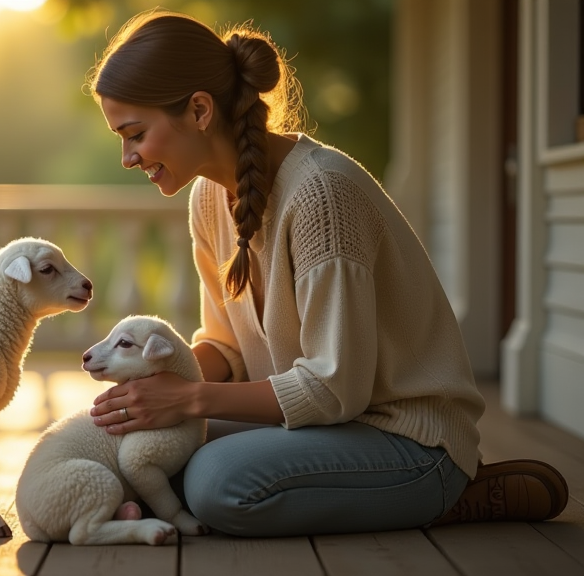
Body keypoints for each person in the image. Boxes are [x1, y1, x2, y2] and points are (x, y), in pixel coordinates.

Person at [85, 9, 568, 537]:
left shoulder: (322, 196)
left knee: (215, 482)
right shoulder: (208, 197)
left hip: (403, 440)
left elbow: (335, 390)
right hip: (318, 429)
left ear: (199, 109)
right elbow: (226, 349)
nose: (128, 157)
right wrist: (151, 388)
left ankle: (444, 497)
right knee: (136, 450)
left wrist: (189, 398)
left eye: (134, 134)